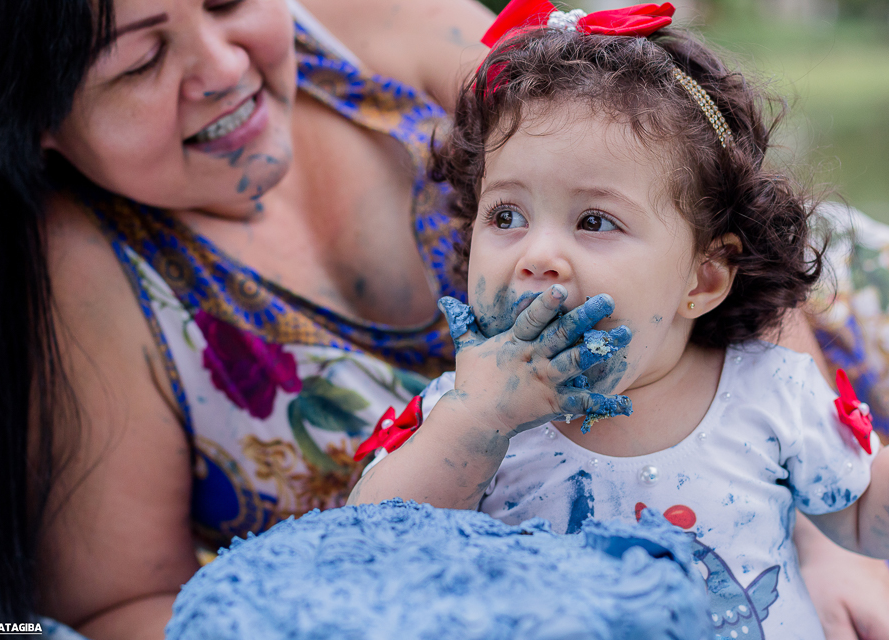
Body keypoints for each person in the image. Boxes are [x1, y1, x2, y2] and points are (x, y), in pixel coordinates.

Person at [0, 0, 888, 638]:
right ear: (33, 112)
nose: (221, 65)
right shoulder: (81, 275)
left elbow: (690, 178)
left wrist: (819, 542)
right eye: (141, 59)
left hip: (807, 333)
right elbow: (141, 598)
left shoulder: (380, 28)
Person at [347, 3, 889, 638]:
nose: (537, 256)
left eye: (594, 221)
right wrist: (476, 423)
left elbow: (861, 516)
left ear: (702, 279)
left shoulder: (768, 391)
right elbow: (367, 552)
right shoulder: (462, 420)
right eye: (506, 216)